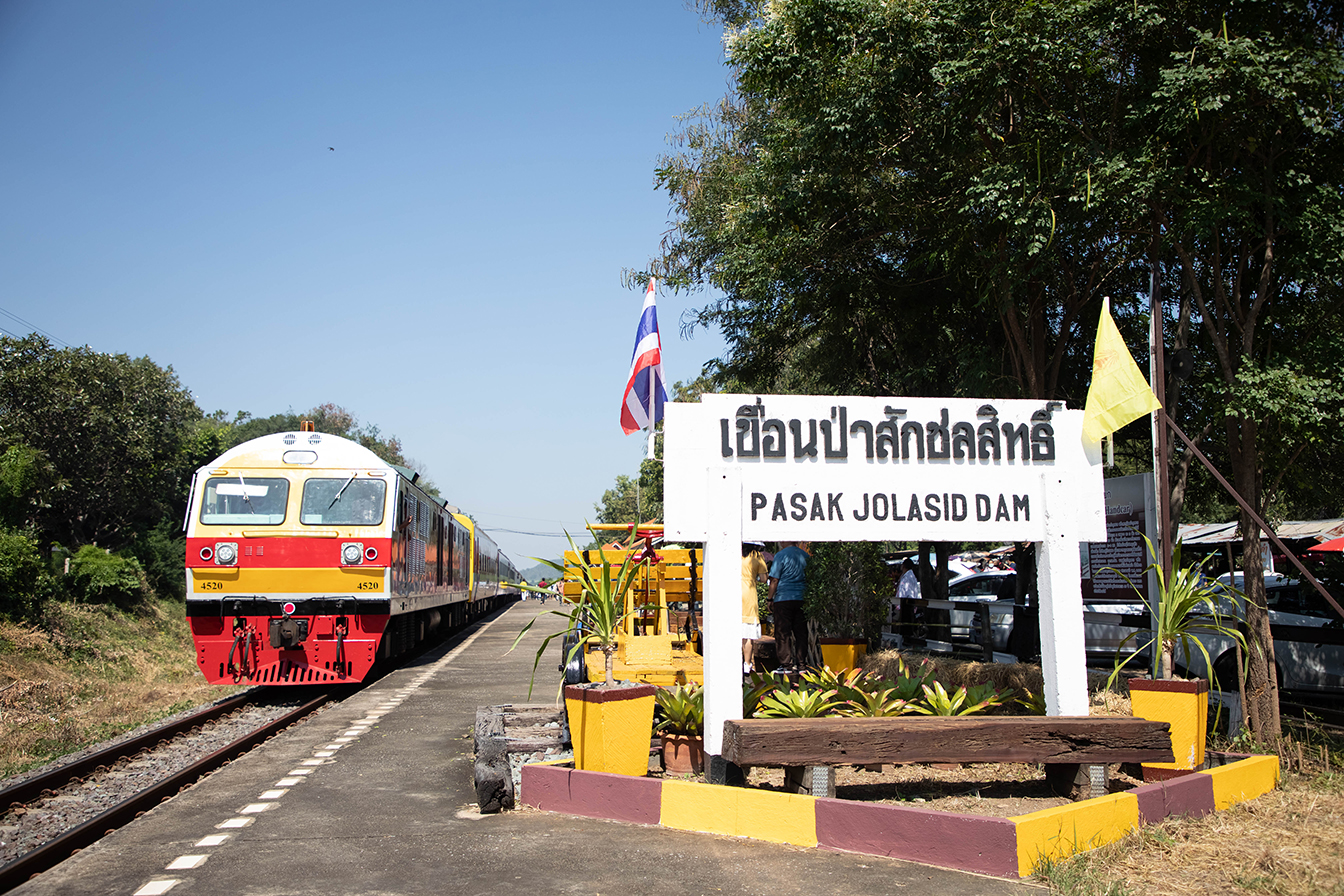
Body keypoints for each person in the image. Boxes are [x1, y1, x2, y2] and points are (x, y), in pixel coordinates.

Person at [768, 541, 810, 671]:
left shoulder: (780, 555)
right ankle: (802, 664)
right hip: (801, 598)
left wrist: (769, 599)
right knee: (801, 632)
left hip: (783, 599)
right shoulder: (805, 555)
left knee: (782, 633)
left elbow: (774, 580)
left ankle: (786, 665)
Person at [741, 542, 768, 674]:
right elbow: (763, 578)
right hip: (749, 594)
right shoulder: (757, 556)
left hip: (734, 591)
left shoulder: (734, 553)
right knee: (747, 633)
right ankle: (747, 663)